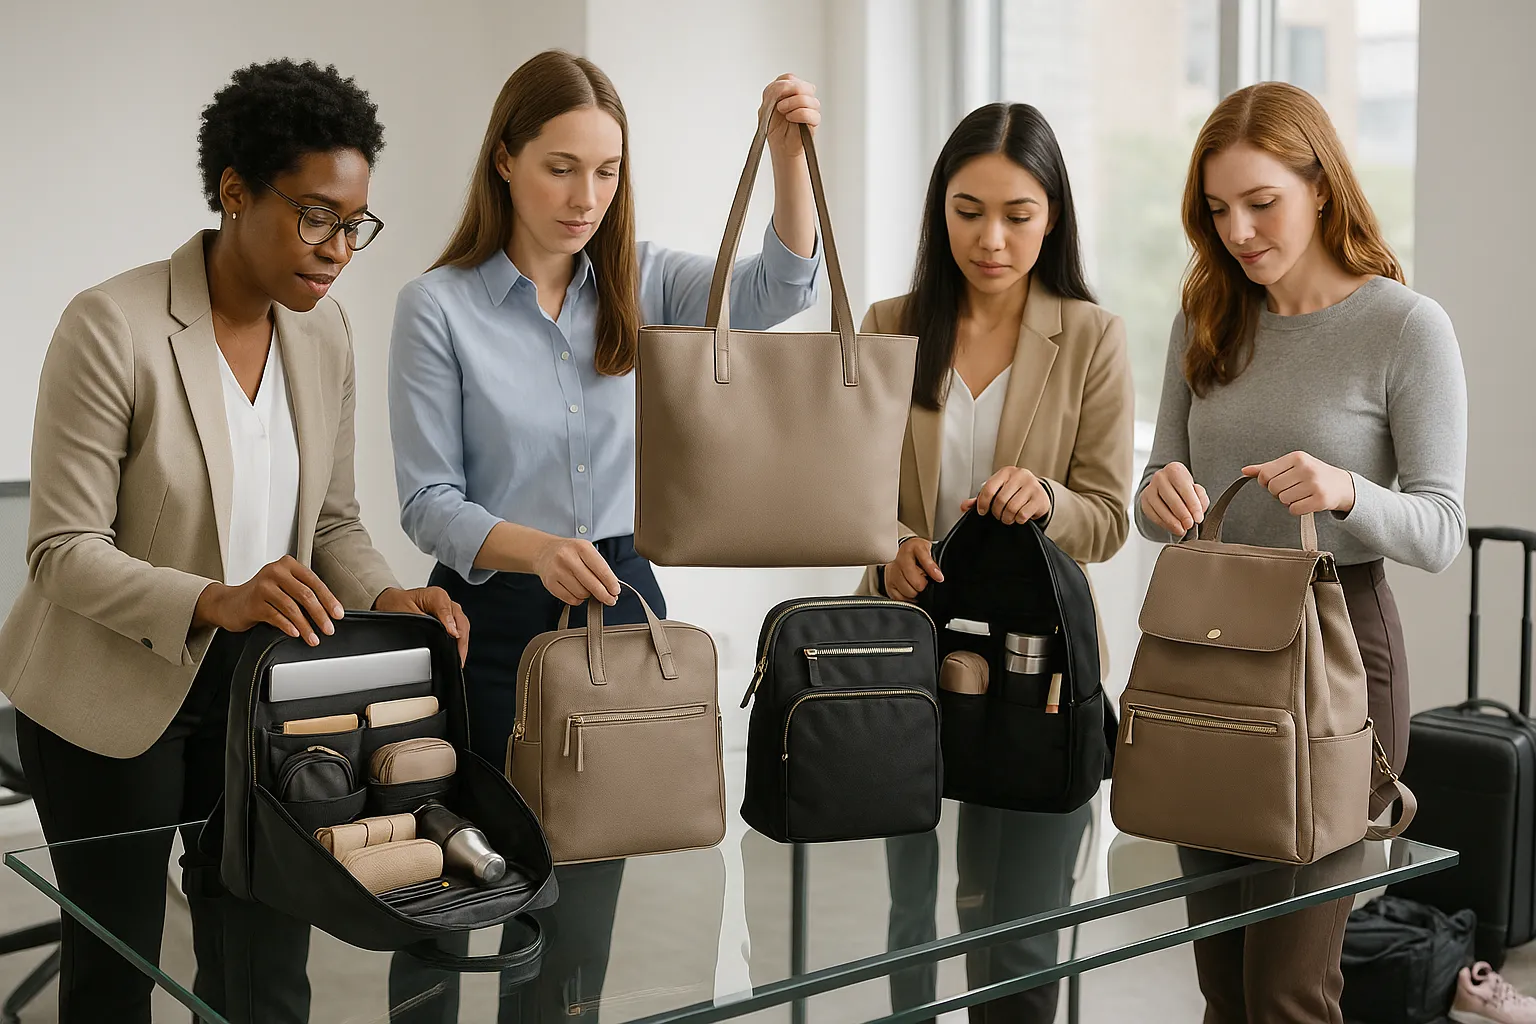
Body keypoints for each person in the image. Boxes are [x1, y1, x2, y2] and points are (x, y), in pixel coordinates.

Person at [0, 59, 468, 1024]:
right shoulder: (112, 326)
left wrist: (388, 597)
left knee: (264, 973)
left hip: (262, 691)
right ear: (234, 192)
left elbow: (333, 521)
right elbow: (60, 549)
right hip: (107, 698)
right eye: (316, 217)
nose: (339, 249)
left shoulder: (325, 333)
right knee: (115, 978)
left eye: (354, 224)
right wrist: (216, 597)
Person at [386, 49, 822, 1020]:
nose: (587, 195)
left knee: (577, 907)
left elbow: (777, 292)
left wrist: (786, 153)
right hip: (481, 621)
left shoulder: (641, 280)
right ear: (505, 160)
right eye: (561, 166)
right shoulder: (438, 307)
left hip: (619, 610)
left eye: (608, 170)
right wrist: (532, 547)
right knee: (446, 900)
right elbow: (427, 501)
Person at [1136, 81, 1466, 1024]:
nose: (1237, 231)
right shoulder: (1206, 313)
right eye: (1217, 209)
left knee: (1287, 990)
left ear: (1320, 186)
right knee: (1222, 986)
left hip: (1338, 659)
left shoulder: (1405, 327)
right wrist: (1157, 497)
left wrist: (1346, 490)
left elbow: (1441, 527)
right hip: (1207, 649)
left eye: (1261, 201)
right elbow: (1159, 485)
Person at [865, 102, 1134, 1024]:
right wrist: (887, 551)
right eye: (968, 210)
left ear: (1052, 214)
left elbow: (1108, 517)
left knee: (1020, 924)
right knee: (907, 917)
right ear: (940, 211)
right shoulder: (890, 325)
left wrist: (1049, 502)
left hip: (1038, 669)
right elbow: (856, 499)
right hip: (910, 653)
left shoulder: (1091, 336)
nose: (991, 237)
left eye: (1018, 214)